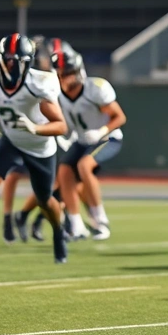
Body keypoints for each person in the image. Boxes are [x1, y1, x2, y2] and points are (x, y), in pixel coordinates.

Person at [0, 34, 68, 266]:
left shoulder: (37, 85)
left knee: (45, 201)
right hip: (12, 141)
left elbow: (61, 125)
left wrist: (35, 127)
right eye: (10, 59)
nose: (13, 65)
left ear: (28, 62)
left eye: (18, 60)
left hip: (40, 147)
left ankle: (58, 229)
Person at [53, 44, 126, 240]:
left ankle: (100, 219)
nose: (62, 77)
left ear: (77, 71)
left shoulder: (96, 88)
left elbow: (119, 117)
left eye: (66, 72)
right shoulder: (56, 94)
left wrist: (101, 130)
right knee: (64, 171)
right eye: (59, 73)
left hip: (107, 138)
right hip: (83, 140)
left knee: (84, 165)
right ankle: (77, 225)